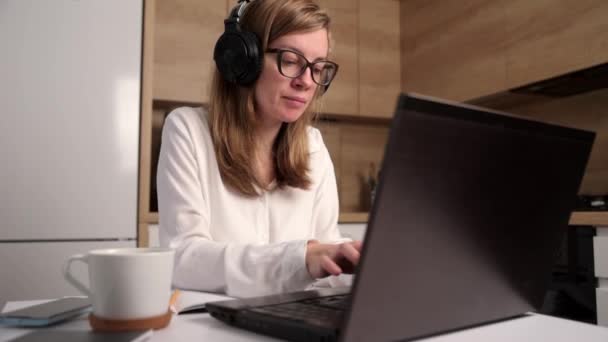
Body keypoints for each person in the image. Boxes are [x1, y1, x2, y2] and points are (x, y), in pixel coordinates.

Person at [157, 0, 362, 298]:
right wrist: (299, 258)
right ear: (243, 60)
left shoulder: (314, 146)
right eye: (291, 60)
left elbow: (325, 261)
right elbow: (183, 258)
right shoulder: (188, 130)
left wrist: (350, 263)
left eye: (319, 67)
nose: (307, 82)